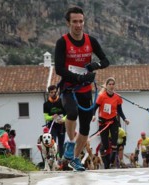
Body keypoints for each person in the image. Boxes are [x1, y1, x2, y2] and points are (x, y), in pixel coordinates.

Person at [54, 6, 109, 171]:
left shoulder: (91, 41)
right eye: (74, 22)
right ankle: (70, 143)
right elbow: (59, 69)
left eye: (81, 21)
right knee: (72, 113)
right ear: (68, 23)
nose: (78, 25)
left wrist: (95, 65)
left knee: (85, 127)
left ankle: (75, 159)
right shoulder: (62, 42)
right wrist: (78, 77)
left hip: (85, 90)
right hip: (69, 89)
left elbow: (105, 61)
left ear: (84, 22)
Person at [92, 77, 130, 169]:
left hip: (113, 121)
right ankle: (107, 162)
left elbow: (119, 110)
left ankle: (112, 159)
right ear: (107, 85)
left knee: (114, 142)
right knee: (105, 144)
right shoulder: (102, 96)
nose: (112, 86)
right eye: (110, 84)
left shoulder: (117, 97)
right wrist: (93, 115)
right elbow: (95, 107)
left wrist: (125, 119)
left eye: (113, 84)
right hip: (103, 122)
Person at [43, 85, 66, 158]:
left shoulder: (62, 101)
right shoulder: (46, 104)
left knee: (61, 143)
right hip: (52, 126)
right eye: (52, 92)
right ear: (49, 93)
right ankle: (54, 157)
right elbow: (46, 117)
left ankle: (61, 158)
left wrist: (63, 119)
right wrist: (52, 117)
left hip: (61, 125)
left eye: (55, 92)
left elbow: (68, 114)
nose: (54, 94)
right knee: (53, 142)